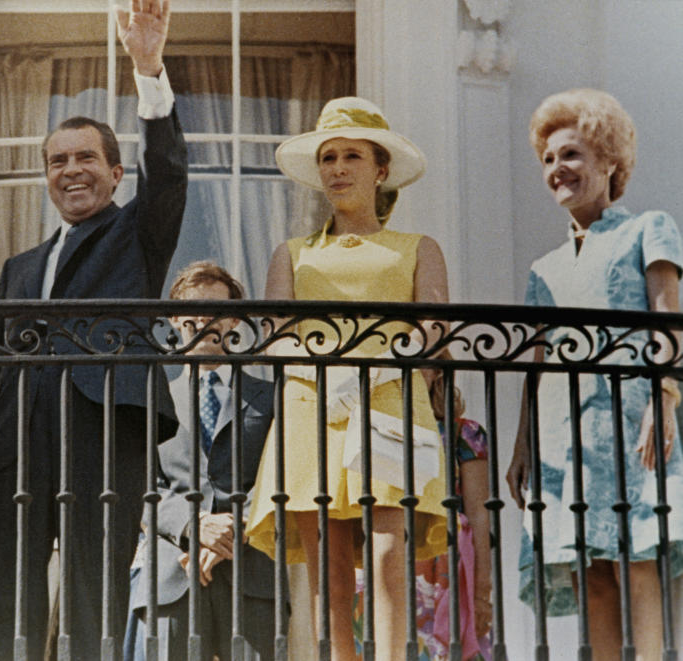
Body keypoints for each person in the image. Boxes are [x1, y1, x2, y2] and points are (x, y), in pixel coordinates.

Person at [0, 2, 187, 659]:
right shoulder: (19, 266)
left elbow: (168, 174)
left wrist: (146, 66)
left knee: (93, 587)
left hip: (100, 429)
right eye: (56, 160)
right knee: (7, 590)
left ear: (116, 173)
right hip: (16, 439)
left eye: (86, 157)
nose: (70, 169)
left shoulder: (135, 233)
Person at [244, 96, 450, 661]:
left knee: (388, 556)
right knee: (327, 567)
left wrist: (377, 366)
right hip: (314, 407)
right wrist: (326, 371)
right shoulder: (293, 253)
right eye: (329, 157)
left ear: (380, 169)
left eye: (352, 156)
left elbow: (434, 327)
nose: (337, 168)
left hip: (390, 401)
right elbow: (275, 332)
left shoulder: (417, 248)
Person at [506, 88, 683, 660]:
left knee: (637, 561)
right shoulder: (544, 268)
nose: (558, 169)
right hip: (565, 437)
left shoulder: (649, 228)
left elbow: (668, 318)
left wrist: (666, 399)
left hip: (633, 425)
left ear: (609, 161)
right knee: (593, 574)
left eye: (572, 155)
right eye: (549, 160)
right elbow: (538, 365)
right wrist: (521, 448)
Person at [125, 261, 281, 660]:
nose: (202, 319)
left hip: (251, 575)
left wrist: (231, 529)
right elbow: (139, 486)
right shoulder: (152, 399)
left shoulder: (271, 397)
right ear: (176, 320)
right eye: (191, 310)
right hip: (171, 574)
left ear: (232, 320)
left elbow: (283, 478)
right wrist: (194, 526)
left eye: (214, 309)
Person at [356, 360, 492, 660]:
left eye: (420, 365)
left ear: (438, 373)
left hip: (444, 564)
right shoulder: (370, 428)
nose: (411, 373)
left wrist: (482, 590)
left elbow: (480, 514)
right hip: (381, 557)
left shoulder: (464, 433)